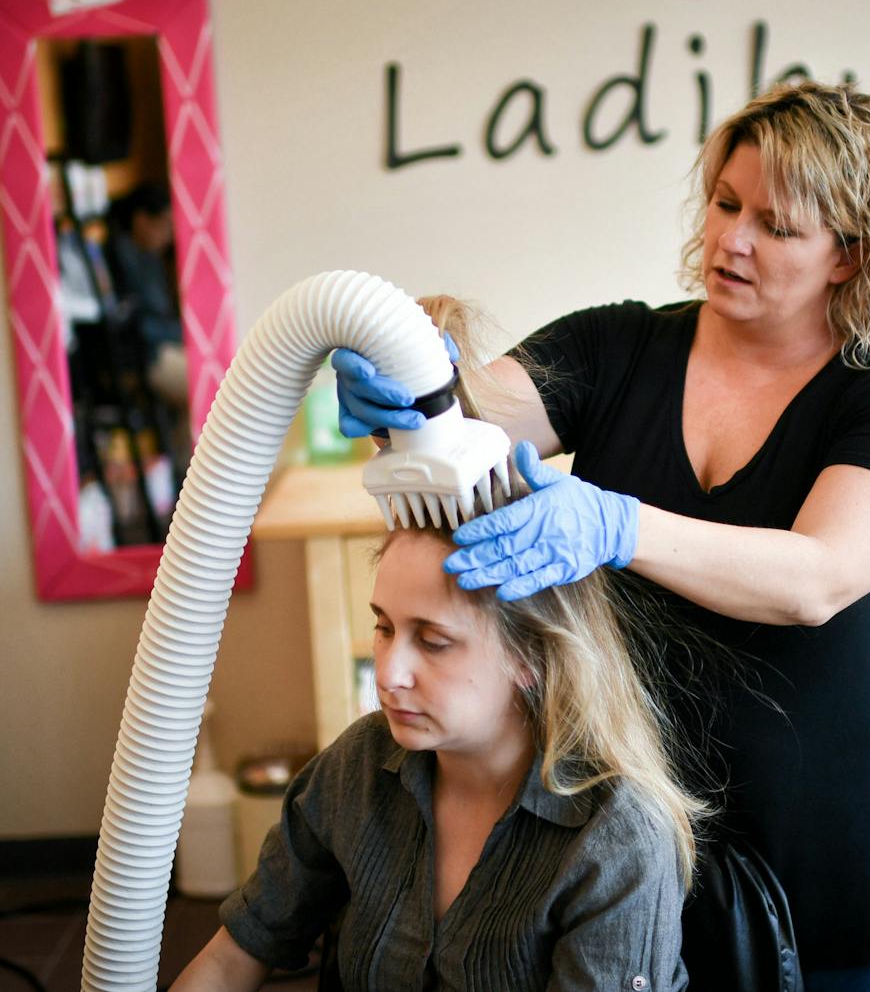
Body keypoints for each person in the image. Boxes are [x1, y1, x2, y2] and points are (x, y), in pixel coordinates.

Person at [334, 81, 870, 991]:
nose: (730, 238)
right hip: (621, 810)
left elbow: (819, 576)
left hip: (811, 805)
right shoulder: (617, 347)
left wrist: (616, 523)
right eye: (725, 202)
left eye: (777, 225)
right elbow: (461, 426)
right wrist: (408, 391)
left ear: (849, 256)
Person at [173, 302, 704, 992]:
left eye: (435, 641)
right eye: (385, 626)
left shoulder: (613, 843)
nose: (389, 673)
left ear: (530, 658)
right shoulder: (360, 771)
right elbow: (231, 953)